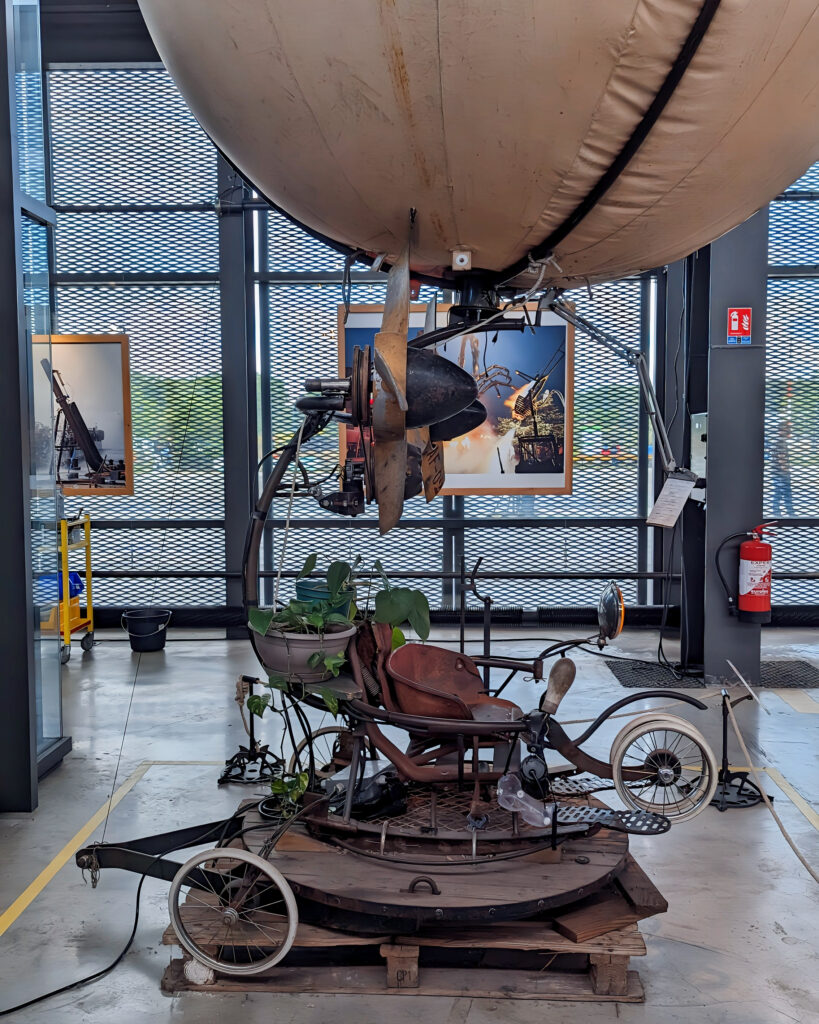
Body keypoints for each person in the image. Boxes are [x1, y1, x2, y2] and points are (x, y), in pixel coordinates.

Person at [772, 419, 794, 517]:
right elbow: (781, 459)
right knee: (785, 494)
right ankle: (790, 514)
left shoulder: (779, 441)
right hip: (781, 474)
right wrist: (786, 471)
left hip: (778, 473)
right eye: (787, 429)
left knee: (779, 493)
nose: (789, 431)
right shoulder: (781, 442)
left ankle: (778, 512)